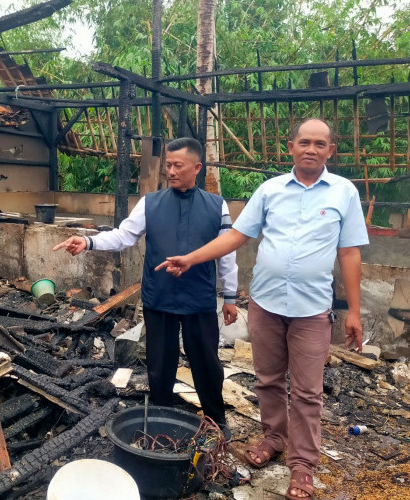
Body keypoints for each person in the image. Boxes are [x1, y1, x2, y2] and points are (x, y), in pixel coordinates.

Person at [155, 119, 368, 500]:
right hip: (267, 304)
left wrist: (354, 310)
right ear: (291, 147)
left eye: (320, 144)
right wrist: (191, 258)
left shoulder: (344, 193)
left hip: (312, 310)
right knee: (268, 380)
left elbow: (349, 252)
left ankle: (302, 466)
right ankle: (274, 438)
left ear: (330, 151)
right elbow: (236, 236)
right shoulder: (270, 190)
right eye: (304, 142)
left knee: (306, 391)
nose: (311, 149)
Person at [53, 137, 238, 434]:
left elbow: (227, 252)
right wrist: (88, 241)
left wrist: (230, 295)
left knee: (206, 361)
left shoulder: (217, 206)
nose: (172, 171)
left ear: (197, 167)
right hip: (160, 296)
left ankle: (216, 419)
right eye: (168, 165)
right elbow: (123, 236)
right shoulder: (150, 203)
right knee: (159, 363)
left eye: (179, 165)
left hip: (199, 297)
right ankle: (163, 417)